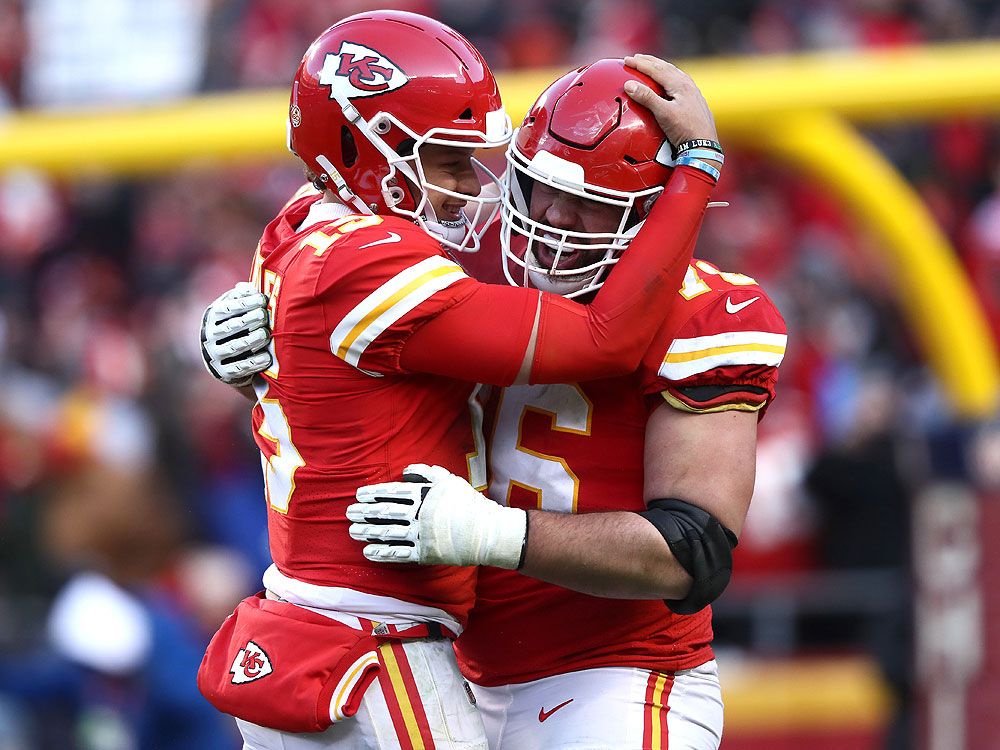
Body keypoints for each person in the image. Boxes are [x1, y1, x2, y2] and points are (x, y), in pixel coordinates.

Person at [196, 9, 722, 750]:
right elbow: (607, 339)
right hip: (373, 639)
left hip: (310, 621)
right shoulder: (373, 260)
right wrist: (696, 170)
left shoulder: (294, 227)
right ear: (363, 146)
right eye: (445, 160)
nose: (466, 184)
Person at [348, 58, 787, 749]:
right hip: (445, 668)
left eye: (588, 201)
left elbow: (690, 554)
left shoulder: (708, 314)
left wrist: (492, 534)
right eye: (537, 187)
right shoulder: (467, 265)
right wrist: (273, 328)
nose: (551, 216)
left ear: (655, 209)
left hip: (614, 680)